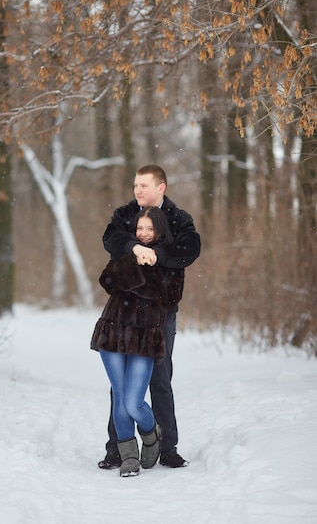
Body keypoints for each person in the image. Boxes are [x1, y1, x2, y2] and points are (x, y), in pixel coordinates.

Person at [98, 164, 201, 470]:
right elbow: (110, 240)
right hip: (125, 311)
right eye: (135, 185)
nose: (138, 191)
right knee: (121, 383)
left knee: (160, 375)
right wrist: (133, 247)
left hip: (162, 313)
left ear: (161, 188)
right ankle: (117, 447)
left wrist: (158, 256)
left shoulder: (179, 219)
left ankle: (167, 446)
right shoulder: (126, 214)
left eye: (144, 185)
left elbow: (190, 249)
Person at [91, 207, 185, 477]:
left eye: (149, 229)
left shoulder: (170, 261)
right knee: (120, 399)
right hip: (113, 332)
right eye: (139, 229)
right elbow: (107, 281)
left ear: (159, 231)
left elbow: (168, 298)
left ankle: (151, 432)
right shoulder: (126, 252)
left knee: (133, 403)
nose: (143, 234)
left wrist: (147, 268)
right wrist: (133, 262)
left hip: (145, 338)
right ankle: (128, 455)